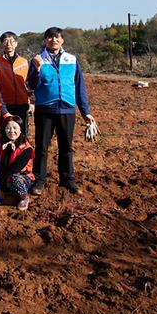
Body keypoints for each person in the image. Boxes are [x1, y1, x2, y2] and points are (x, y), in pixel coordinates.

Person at [27, 27, 96, 196]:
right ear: (45, 41)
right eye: (49, 38)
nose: (53, 40)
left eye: (57, 37)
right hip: (45, 109)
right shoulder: (38, 60)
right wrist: (36, 69)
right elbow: (30, 85)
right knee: (42, 147)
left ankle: (67, 180)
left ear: (62, 40)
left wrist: (85, 111)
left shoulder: (71, 59)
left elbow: (79, 87)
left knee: (66, 147)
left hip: (66, 109)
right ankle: (39, 180)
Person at [0, 32, 32, 138]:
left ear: (16, 43)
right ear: (2, 44)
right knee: (6, 133)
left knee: (22, 133)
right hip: (5, 104)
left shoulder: (23, 62)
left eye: (11, 41)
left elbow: (28, 83)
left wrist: (30, 101)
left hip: (22, 104)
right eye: (5, 41)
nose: (8, 44)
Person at [0, 115, 35, 211]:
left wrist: (1, 187)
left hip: (20, 176)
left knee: (14, 178)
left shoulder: (26, 149)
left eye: (15, 128)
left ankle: (23, 197)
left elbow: (13, 170)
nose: (11, 131)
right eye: (8, 128)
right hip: (2, 174)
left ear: (21, 130)